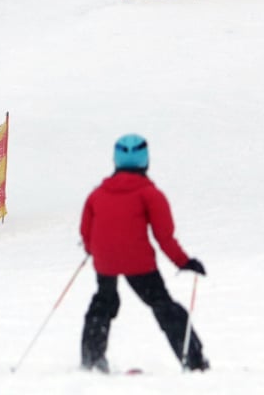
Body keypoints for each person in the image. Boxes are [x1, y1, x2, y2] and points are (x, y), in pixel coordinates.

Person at [79, 134, 208, 373]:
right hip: (139, 263)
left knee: (103, 302)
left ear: (115, 161)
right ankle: (194, 361)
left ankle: (92, 358)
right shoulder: (150, 194)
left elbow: (86, 232)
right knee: (163, 305)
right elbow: (164, 237)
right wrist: (184, 262)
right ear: (145, 161)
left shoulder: (97, 194)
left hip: (104, 262)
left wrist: (94, 251)